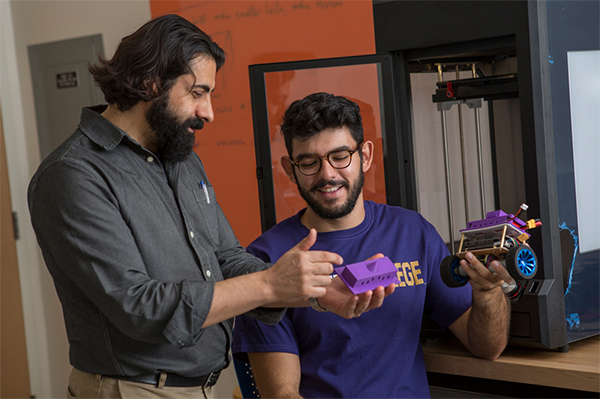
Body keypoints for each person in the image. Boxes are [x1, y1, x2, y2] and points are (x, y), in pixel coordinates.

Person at [27, 17, 392, 399]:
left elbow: (227, 258)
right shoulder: (72, 175)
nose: (209, 112)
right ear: (152, 82)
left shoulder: (180, 159)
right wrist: (269, 284)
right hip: (132, 389)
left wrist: (313, 292)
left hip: (203, 387)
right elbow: (138, 307)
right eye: (198, 93)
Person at [232, 92, 514, 398]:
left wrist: (487, 292)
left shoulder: (412, 233)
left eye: (340, 157)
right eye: (309, 162)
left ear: (365, 155)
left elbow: (487, 346)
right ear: (290, 169)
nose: (327, 174)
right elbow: (281, 395)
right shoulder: (267, 259)